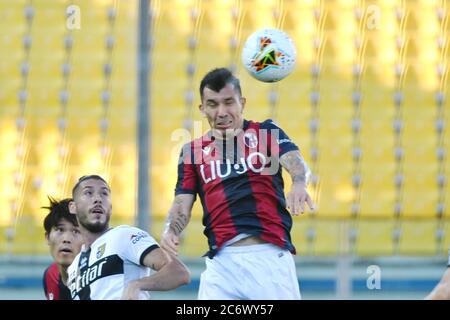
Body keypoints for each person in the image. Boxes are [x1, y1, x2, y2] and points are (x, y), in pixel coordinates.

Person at [161, 67, 314, 300]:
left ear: (242, 102)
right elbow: (182, 201)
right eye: (212, 104)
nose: (221, 112)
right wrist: (171, 229)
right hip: (221, 265)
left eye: (228, 102)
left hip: (269, 259)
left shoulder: (266, 132)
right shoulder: (191, 152)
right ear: (202, 109)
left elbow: (293, 160)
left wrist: (299, 183)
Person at [66, 175, 190, 300]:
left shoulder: (123, 236)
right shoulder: (73, 268)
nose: (98, 199)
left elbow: (179, 272)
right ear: (73, 207)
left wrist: (137, 285)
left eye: (104, 194)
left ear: (110, 206)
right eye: (88, 193)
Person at [42, 197, 83, 300]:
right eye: (60, 230)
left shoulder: (100, 281)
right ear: (47, 237)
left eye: (75, 231)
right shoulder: (50, 275)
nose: (66, 239)